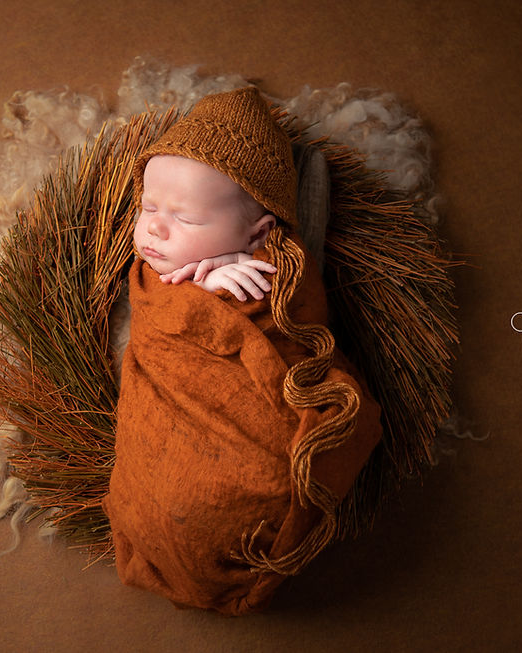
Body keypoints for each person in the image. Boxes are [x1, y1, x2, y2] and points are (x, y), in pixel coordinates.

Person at [102, 87, 382, 615]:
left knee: (266, 476)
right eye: (148, 206)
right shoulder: (154, 271)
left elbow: (293, 329)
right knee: (160, 492)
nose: (154, 227)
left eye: (185, 219)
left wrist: (228, 289)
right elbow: (151, 322)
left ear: (259, 234)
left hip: (246, 432)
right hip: (173, 416)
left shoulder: (270, 268)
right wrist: (190, 293)